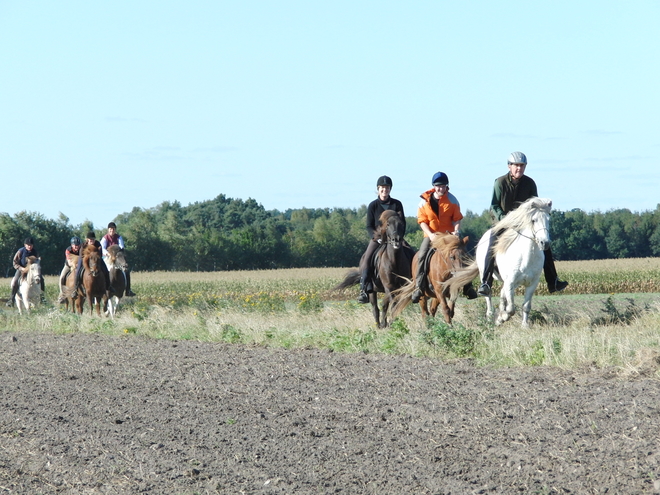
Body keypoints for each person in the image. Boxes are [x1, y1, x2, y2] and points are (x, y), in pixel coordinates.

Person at [477, 151, 568, 296]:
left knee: (544, 243)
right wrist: (504, 218)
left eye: (522, 166)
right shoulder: (499, 182)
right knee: (492, 243)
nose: (519, 168)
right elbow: (494, 205)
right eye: (516, 165)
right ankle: (486, 282)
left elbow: (536, 205)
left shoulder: (530, 183)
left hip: (524, 223)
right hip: (503, 223)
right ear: (509, 166)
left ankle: (553, 281)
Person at [411, 172, 477, 303]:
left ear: (447, 187)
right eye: (438, 186)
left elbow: (457, 219)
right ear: (434, 187)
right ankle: (418, 287)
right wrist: (430, 235)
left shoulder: (453, 200)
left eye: (443, 186)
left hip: (448, 236)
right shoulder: (424, 202)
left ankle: (468, 287)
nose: (440, 189)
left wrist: (456, 231)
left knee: (463, 254)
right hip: (432, 236)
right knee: (422, 255)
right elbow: (422, 221)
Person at [357, 175, 411, 303]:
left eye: (387, 188)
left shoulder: (397, 204)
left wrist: (399, 237)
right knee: (367, 259)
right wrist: (375, 237)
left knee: (411, 254)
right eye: (382, 188)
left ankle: (415, 286)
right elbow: (369, 226)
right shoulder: (373, 205)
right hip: (378, 238)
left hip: (395, 237)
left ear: (390, 189)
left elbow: (402, 223)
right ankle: (364, 289)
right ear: (378, 189)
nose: (385, 190)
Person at [72, 232, 114, 298]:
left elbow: (100, 254)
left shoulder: (98, 244)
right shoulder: (83, 246)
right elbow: (81, 255)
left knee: (106, 270)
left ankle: (109, 286)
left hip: (96, 260)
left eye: (93, 239)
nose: (92, 240)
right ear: (87, 239)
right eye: (90, 239)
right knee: (78, 271)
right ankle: (75, 288)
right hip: (84, 259)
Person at [100, 222, 136, 296]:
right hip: (107, 257)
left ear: (115, 230)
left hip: (117, 257)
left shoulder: (119, 237)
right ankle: (99, 288)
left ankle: (128, 290)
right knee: (100, 270)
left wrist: (117, 253)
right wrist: (108, 253)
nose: (112, 231)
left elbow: (121, 247)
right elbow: (102, 248)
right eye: (110, 229)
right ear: (108, 229)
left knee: (126, 270)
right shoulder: (105, 238)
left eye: (113, 229)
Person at [7, 237, 45, 306]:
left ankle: (42, 298)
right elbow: (15, 262)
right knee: (14, 282)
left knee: (41, 279)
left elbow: (37, 262)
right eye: (28, 245)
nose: (29, 246)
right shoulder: (20, 251)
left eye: (31, 245)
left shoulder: (35, 252)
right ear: (25, 245)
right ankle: (11, 300)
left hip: (32, 270)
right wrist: (21, 268)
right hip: (22, 269)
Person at [57, 236, 83, 303]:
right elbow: (69, 262)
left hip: (80, 266)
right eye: (75, 245)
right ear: (72, 245)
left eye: (78, 245)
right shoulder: (68, 250)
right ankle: (62, 295)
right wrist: (75, 265)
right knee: (62, 277)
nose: (76, 247)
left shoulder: (82, 250)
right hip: (69, 265)